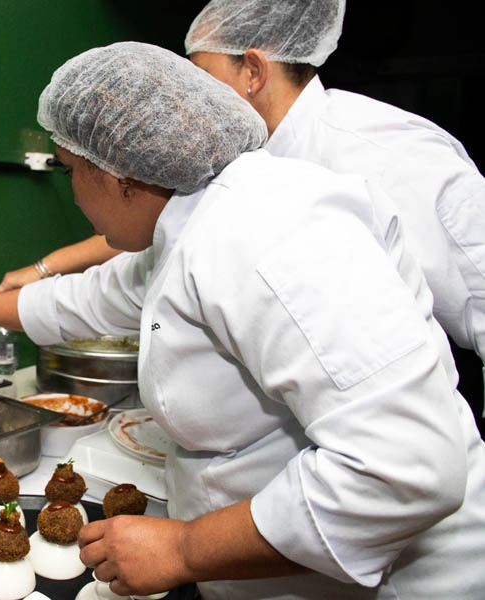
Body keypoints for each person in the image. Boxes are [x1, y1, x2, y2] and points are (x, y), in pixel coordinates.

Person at [0, 42, 485, 599]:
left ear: (119, 173)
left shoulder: (270, 236)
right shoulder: (194, 224)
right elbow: (85, 298)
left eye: (70, 172)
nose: (77, 199)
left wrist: (185, 549)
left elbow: (403, 469)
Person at [184, 0, 485, 436]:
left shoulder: (383, 155)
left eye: (202, 78)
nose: (192, 101)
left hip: (425, 427)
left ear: (253, 71)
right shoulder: (256, 159)